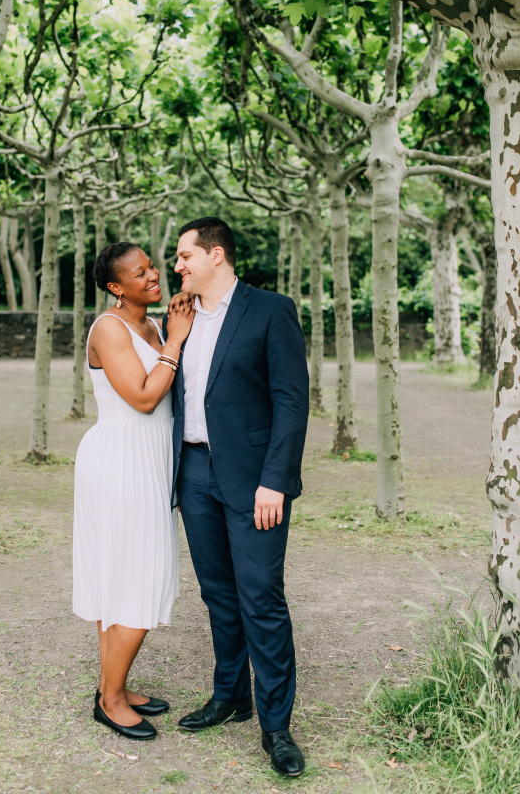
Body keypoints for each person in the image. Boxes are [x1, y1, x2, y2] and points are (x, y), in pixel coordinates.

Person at [166, 217, 309, 778]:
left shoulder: (271, 310)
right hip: (194, 471)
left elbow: (291, 401)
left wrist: (275, 480)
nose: (176, 265)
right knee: (218, 595)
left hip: (255, 480)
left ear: (216, 255)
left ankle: (276, 727)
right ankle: (231, 696)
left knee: (261, 598)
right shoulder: (179, 318)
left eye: (184, 256)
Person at [72, 242, 194, 742]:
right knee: (139, 578)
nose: (153, 275)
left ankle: (112, 685)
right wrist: (177, 340)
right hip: (122, 462)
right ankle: (111, 701)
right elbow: (143, 398)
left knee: (121, 578)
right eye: (139, 273)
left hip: (149, 459)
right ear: (115, 287)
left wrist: (172, 327)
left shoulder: (154, 325)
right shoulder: (109, 328)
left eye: (152, 266)